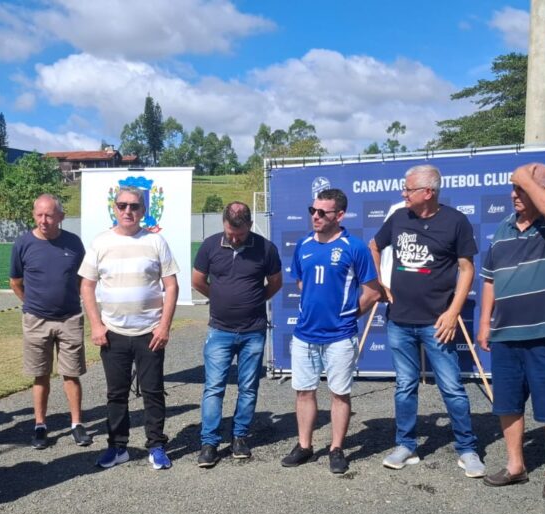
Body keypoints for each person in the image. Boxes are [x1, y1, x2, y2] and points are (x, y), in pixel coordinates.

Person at [477, 162, 545, 501]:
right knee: (507, 404)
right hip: (506, 333)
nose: (513, 194)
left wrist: (525, 175)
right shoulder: (503, 229)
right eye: (514, 187)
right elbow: (490, 279)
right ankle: (515, 466)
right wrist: (484, 322)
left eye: (520, 188)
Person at [370, 165, 482, 477]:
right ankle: (406, 445)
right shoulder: (398, 217)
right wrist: (379, 284)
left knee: (451, 387)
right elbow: (374, 247)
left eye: (408, 190)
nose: (403, 194)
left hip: (437, 323)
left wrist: (453, 312)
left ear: (428, 192)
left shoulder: (455, 221)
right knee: (405, 386)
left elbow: (467, 269)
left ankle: (467, 448)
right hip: (398, 321)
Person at [79, 186, 180, 470]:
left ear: (143, 211)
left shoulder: (156, 242)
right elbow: (87, 285)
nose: (128, 211)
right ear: (114, 208)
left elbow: (171, 286)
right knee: (116, 394)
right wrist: (97, 325)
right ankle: (117, 447)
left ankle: (157, 446)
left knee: (153, 391)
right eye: (122, 205)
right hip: (113, 333)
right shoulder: (101, 243)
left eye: (134, 206)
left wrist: (164, 326)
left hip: (150, 332)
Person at [285, 188, 383, 474]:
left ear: (339, 215)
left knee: (339, 393)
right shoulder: (303, 245)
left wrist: (347, 316)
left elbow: (372, 292)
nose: (315, 216)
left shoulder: (355, 247)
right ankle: (304, 445)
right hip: (305, 334)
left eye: (322, 212)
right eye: (312, 210)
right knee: (304, 391)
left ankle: (336, 448)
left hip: (340, 336)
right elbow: (301, 283)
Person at [192, 201, 282, 467]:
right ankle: (209, 441)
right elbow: (198, 280)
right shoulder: (209, 246)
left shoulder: (266, 248)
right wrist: (219, 298)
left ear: (250, 226)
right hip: (219, 330)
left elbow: (275, 283)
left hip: (253, 331)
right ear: (223, 223)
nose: (233, 238)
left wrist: (253, 301)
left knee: (248, 388)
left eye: (239, 234)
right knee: (214, 387)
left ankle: (240, 437)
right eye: (230, 232)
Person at [10, 194, 90, 449]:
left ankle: (76, 424)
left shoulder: (74, 243)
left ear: (61, 217)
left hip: (69, 318)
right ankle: (40, 425)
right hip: (36, 320)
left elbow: (83, 279)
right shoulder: (23, 243)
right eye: (39, 215)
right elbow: (15, 281)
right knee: (40, 375)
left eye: (49, 215)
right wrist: (31, 305)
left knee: (71, 374)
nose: (44, 220)